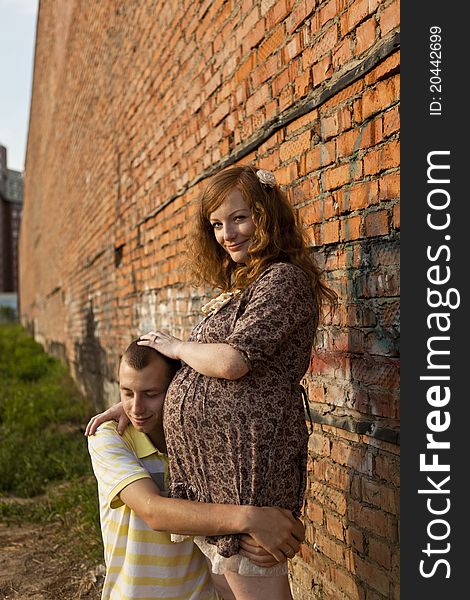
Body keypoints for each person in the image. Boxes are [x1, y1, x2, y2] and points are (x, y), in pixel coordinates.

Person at [88, 164, 336, 600]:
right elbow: (198, 374)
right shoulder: (244, 286)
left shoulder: (282, 280)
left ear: (267, 215)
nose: (227, 234)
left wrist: (178, 346)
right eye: (217, 224)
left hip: (248, 472)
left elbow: (232, 362)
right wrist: (132, 404)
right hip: (217, 481)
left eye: (239, 218)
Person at [87, 339, 305, 600]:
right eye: (127, 393)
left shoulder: (203, 444)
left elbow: (270, 506)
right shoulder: (108, 436)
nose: (136, 409)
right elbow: (153, 511)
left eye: (151, 394)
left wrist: (276, 536)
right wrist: (253, 519)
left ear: (178, 388)